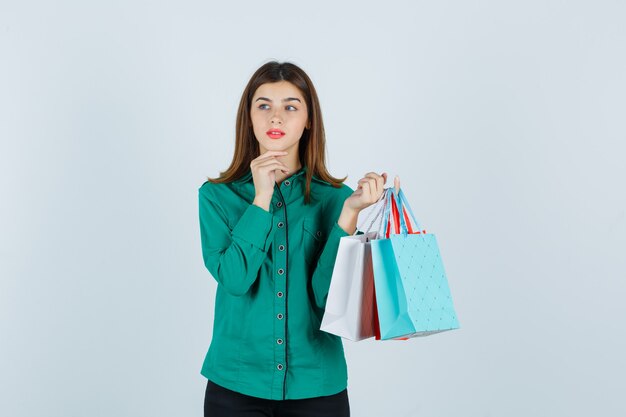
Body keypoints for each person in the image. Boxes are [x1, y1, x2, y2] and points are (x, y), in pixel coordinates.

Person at [198, 61, 388, 417]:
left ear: (308, 119)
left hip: (317, 388)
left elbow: (329, 298)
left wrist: (349, 216)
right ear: (249, 117)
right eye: (264, 105)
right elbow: (235, 280)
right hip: (235, 388)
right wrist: (260, 200)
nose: (276, 118)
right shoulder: (215, 197)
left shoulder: (336, 199)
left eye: (290, 106)